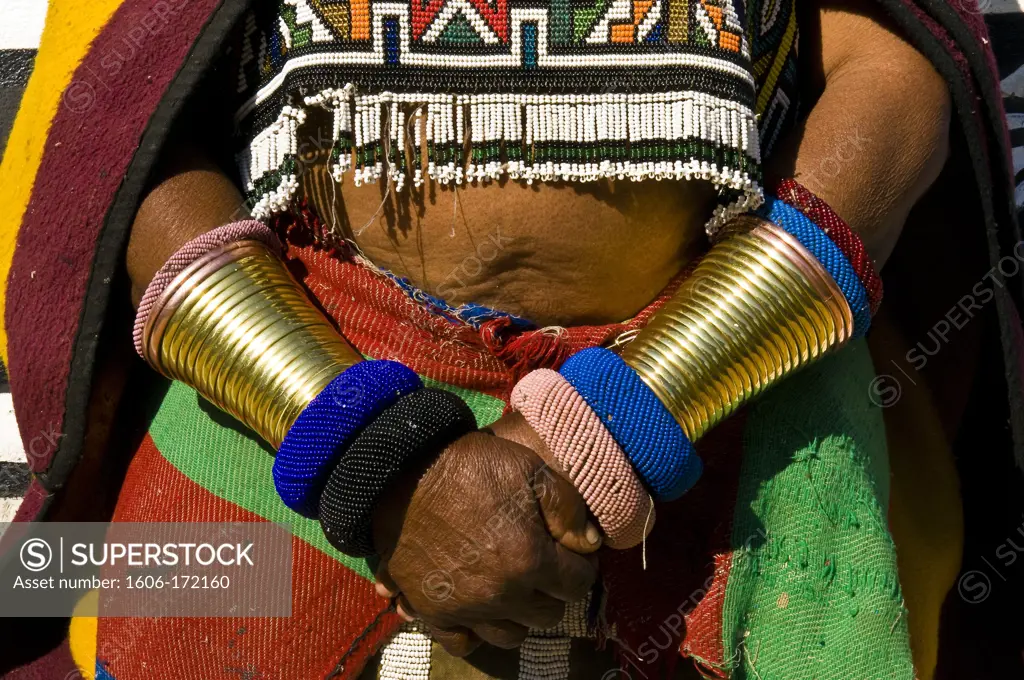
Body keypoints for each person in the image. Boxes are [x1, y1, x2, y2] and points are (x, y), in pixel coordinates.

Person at [0, 0, 1021, 678]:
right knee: (160, 615)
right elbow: (123, 135)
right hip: (288, 395)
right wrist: (369, 448)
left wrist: (617, 419)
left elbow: (894, 86)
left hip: (730, 387)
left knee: (826, 638)